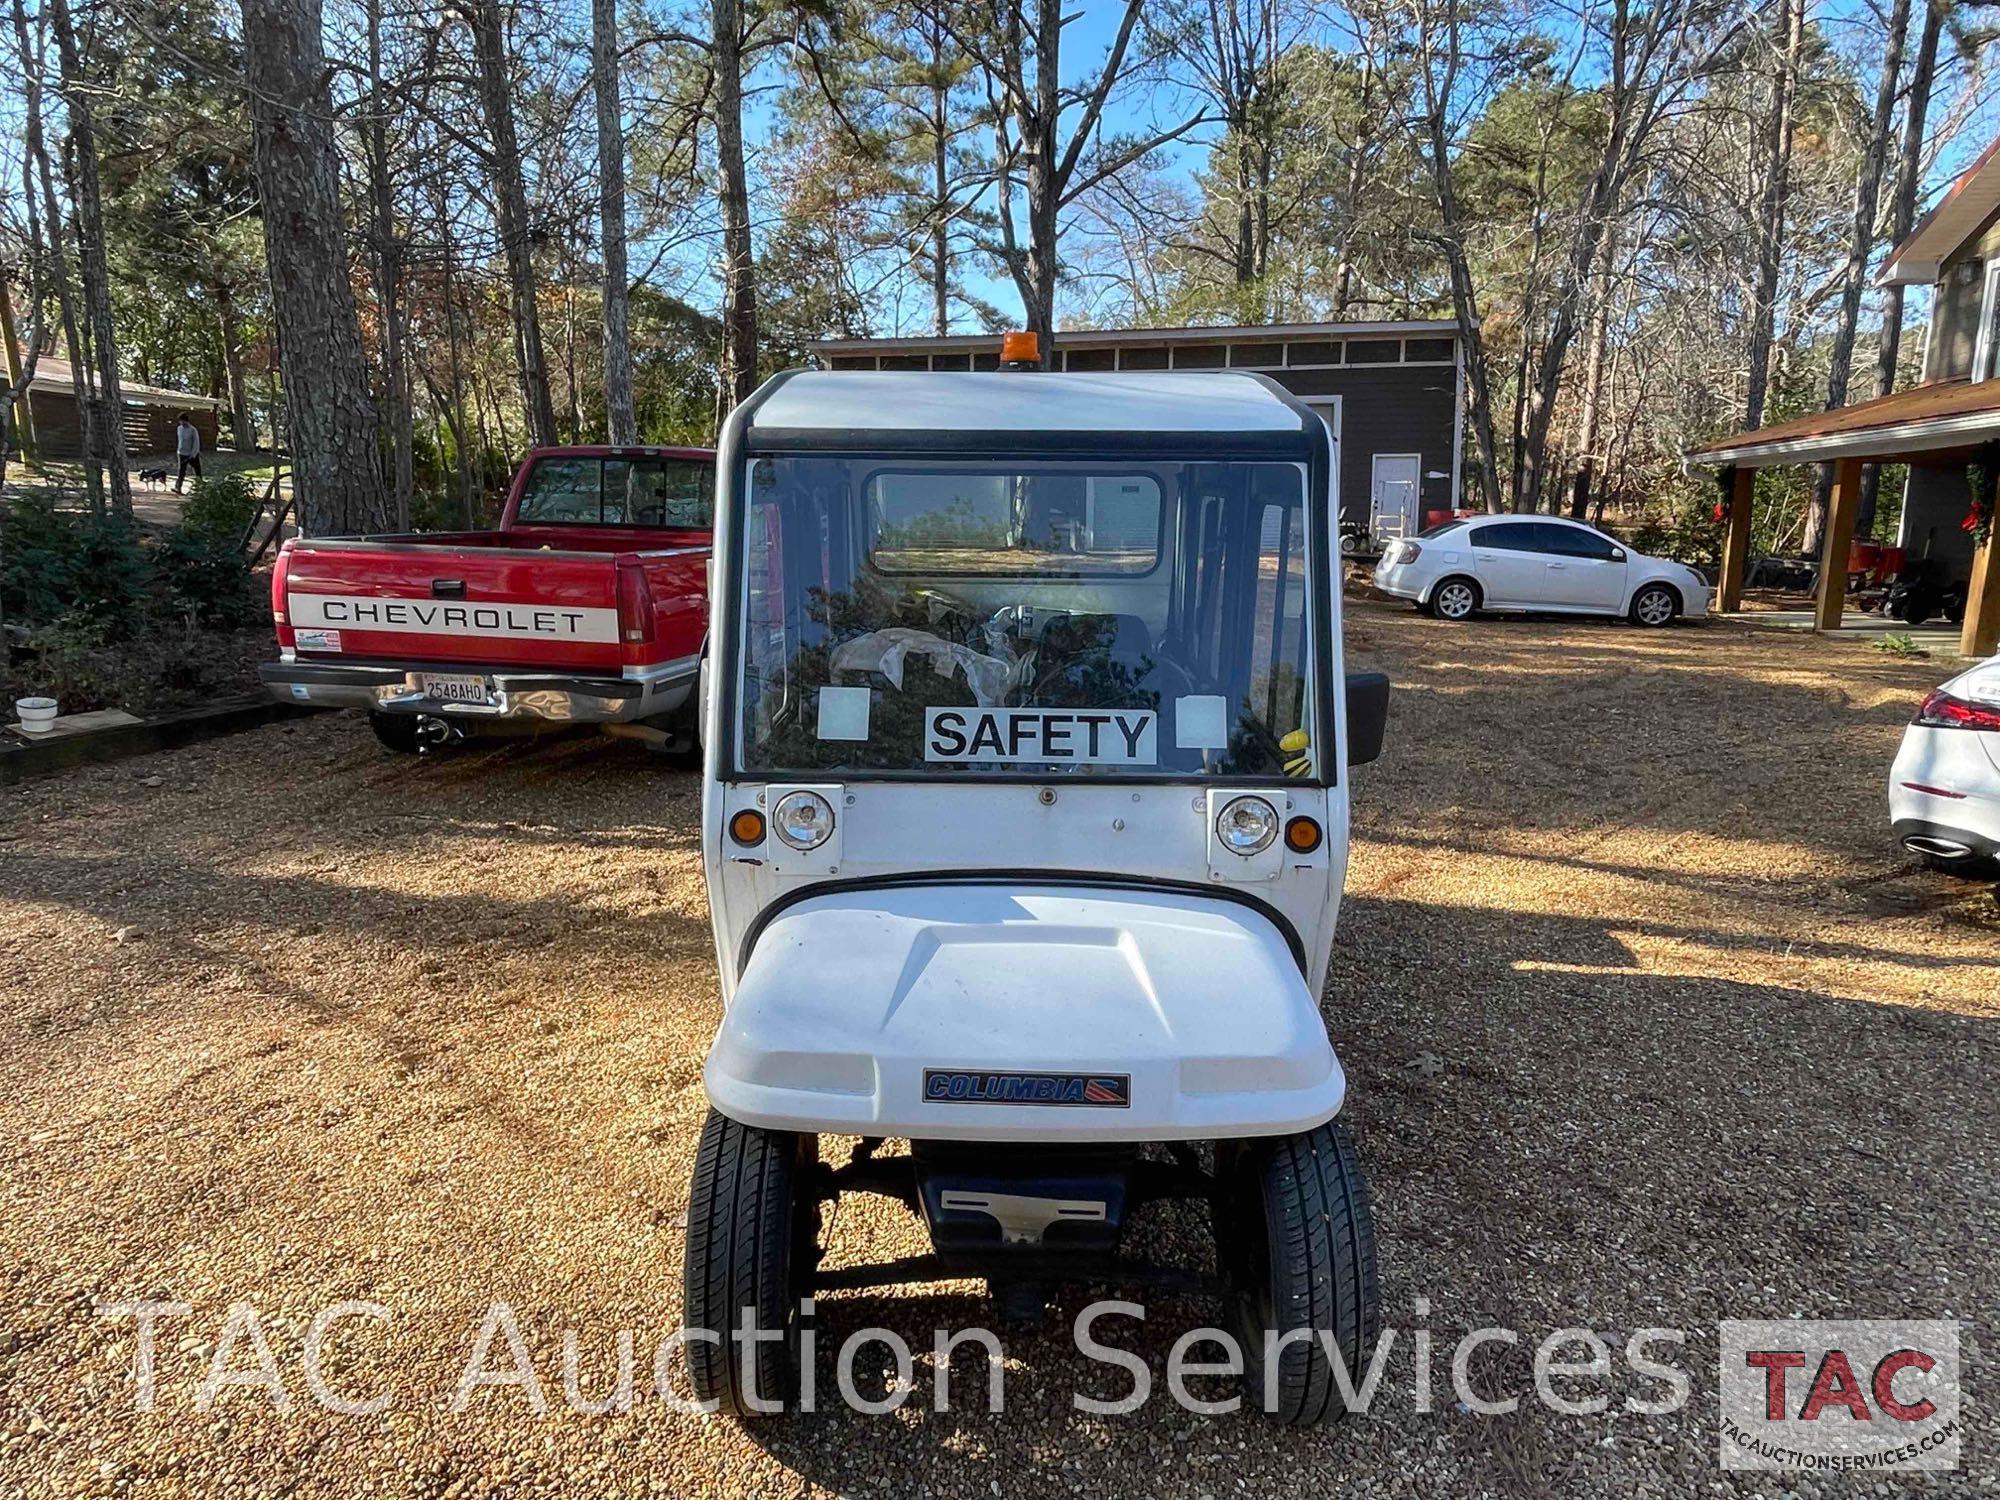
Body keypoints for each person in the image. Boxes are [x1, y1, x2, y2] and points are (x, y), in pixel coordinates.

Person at [174, 416, 202, 492]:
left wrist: (193, 454)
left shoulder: (193, 430)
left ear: (186, 421)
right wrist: (178, 451)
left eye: (182, 421)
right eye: (180, 421)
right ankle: (178, 487)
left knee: (197, 471)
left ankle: (200, 487)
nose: (181, 423)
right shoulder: (179, 429)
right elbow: (180, 441)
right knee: (181, 471)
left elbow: (196, 442)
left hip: (192, 454)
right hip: (182, 453)